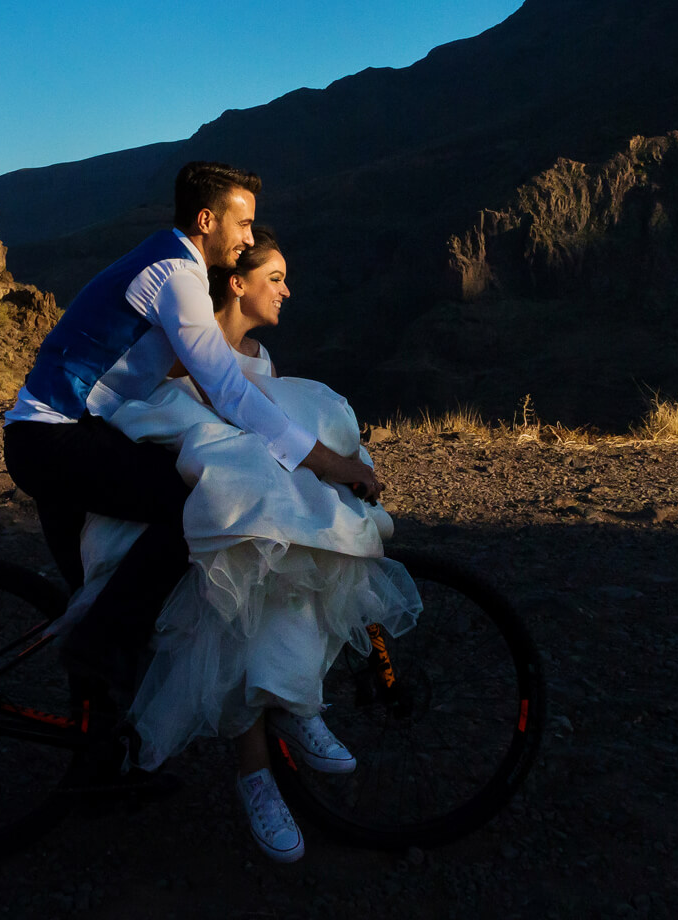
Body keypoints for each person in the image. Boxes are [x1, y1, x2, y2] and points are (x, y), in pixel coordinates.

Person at [53, 228, 419, 863]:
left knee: (285, 565)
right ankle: (258, 775)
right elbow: (171, 422)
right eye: (273, 277)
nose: (286, 289)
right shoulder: (186, 348)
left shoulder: (263, 360)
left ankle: (293, 701)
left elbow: (272, 434)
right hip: (179, 505)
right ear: (236, 283)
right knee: (233, 589)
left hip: (236, 507)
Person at [1, 162, 382, 734]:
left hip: (60, 433)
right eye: (244, 224)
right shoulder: (176, 274)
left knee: (96, 596)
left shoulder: (167, 263)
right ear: (207, 220)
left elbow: (208, 373)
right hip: (52, 437)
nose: (250, 238)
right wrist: (328, 462)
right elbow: (225, 389)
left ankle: (98, 762)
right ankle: (102, 650)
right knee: (195, 507)